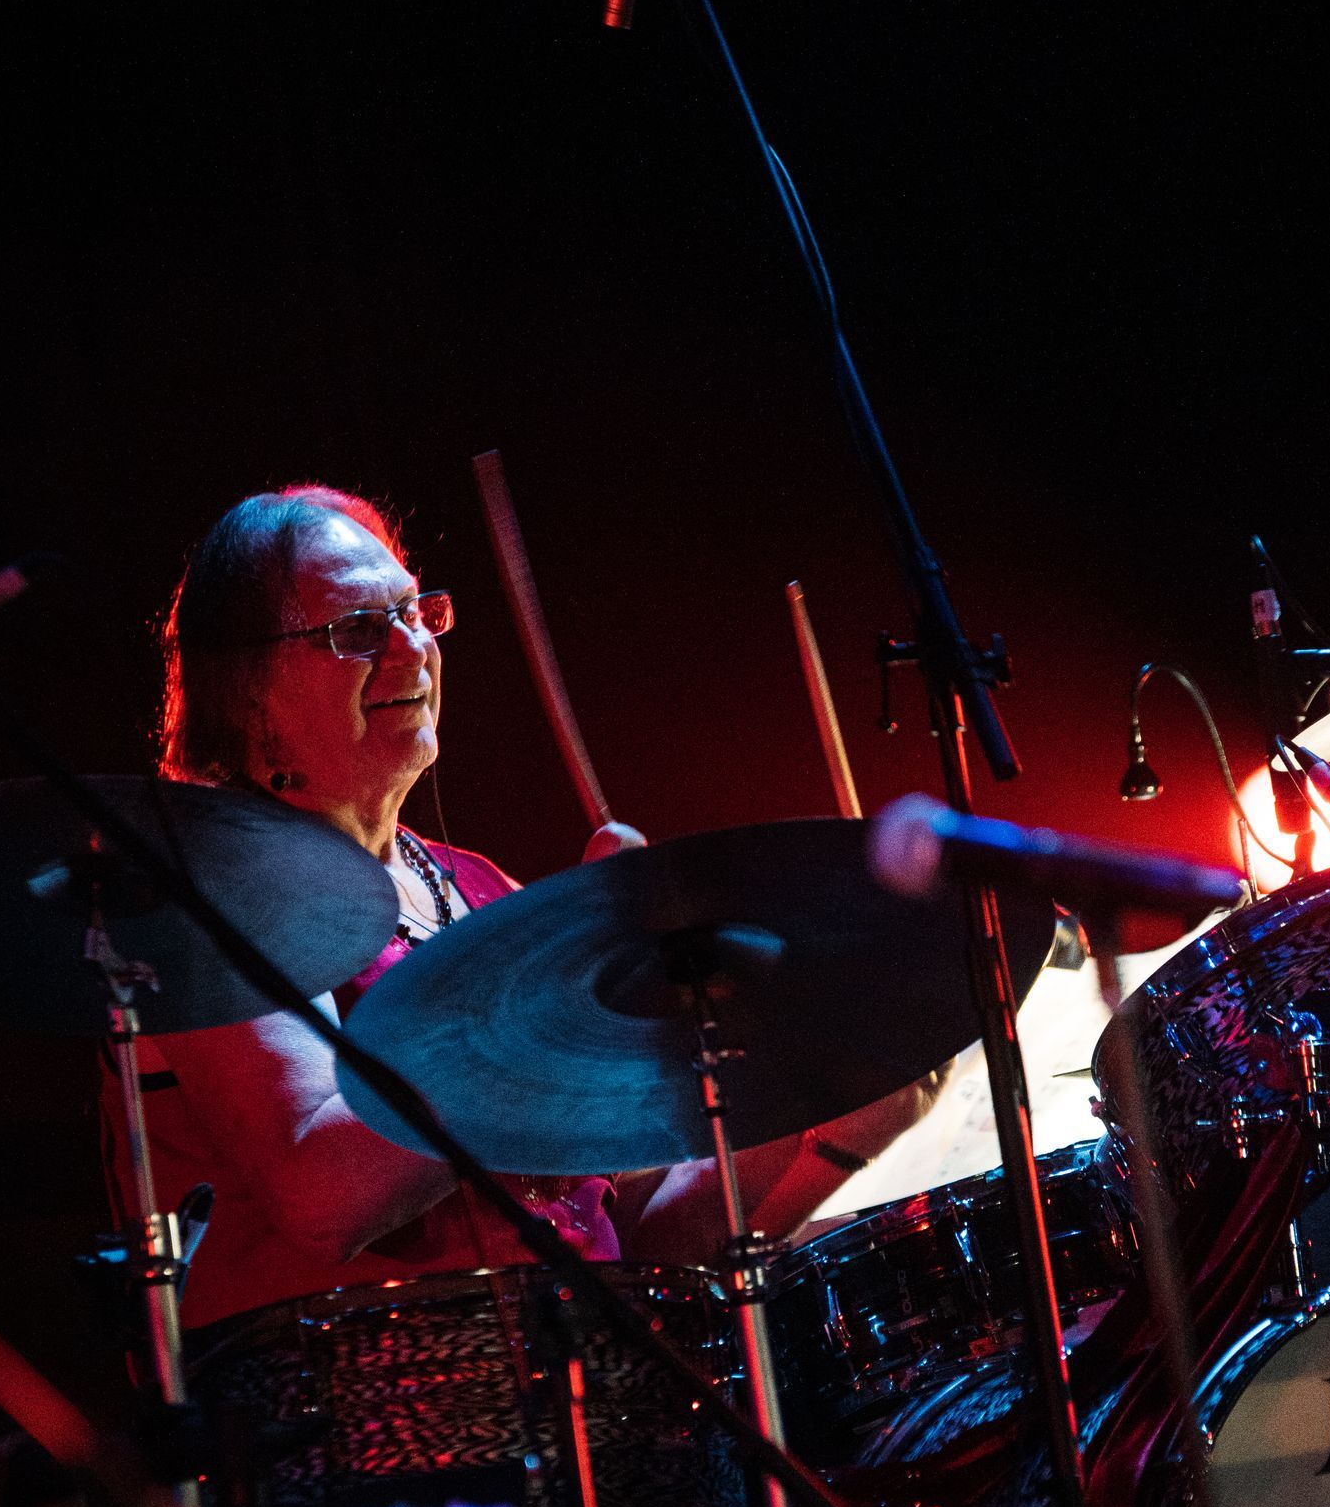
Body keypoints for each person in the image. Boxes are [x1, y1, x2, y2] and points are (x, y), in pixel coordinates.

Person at [115, 485, 925, 1329]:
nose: (413, 647)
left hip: (573, 1382)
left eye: (415, 613)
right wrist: (565, 984)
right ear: (244, 687)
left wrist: (843, 1124)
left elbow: (632, 1239)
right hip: (370, 1398)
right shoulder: (205, 877)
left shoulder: (479, 888)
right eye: (357, 630)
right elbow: (326, 1196)